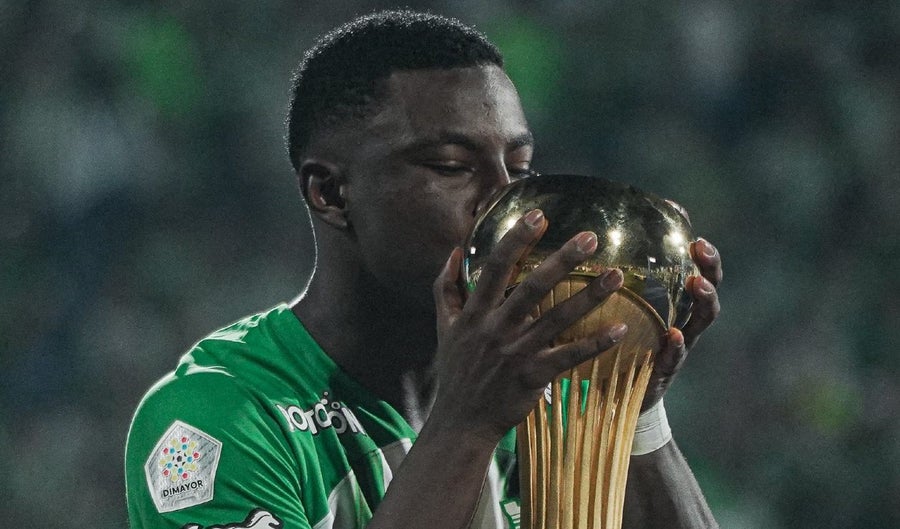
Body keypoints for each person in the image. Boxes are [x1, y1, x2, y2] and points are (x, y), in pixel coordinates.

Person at [125, 10, 723, 529]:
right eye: (452, 166)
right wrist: (466, 425)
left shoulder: (548, 394)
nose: (506, 202)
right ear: (330, 193)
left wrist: (633, 406)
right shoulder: (217, 417)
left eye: (519, 169)